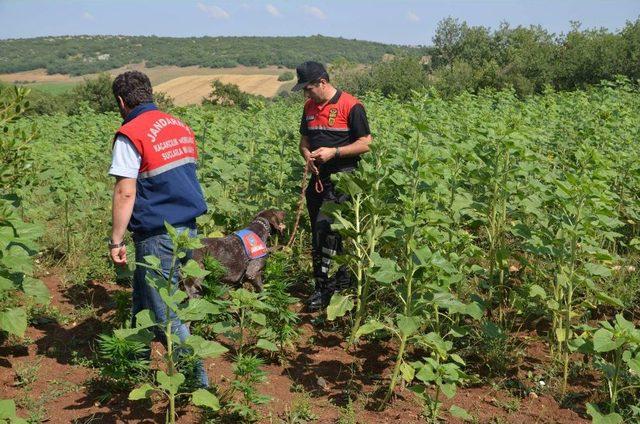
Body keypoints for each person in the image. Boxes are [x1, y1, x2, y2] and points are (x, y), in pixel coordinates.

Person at [107, 71, 209, 386]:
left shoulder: (130, 132)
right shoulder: (179, 125)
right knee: (143, 295)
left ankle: (198, 382)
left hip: (157, 233)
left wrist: (115, 240)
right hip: (185, 228)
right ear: (150, 93)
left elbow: (126, 192)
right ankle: (137, 361)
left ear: (122, 102)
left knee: (167, 312)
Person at [293, 61, 372, 310]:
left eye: (308, 89)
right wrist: (307, 156)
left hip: (343, 180)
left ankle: (324, 289)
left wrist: (334, 152)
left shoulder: (351, 105)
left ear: (322, 83)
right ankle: (341, 277)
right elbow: (304, 141)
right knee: (326, 234)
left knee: (324, 230)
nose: (306, 94)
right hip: (317, 180)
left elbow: (366, 143)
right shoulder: (309, 107)